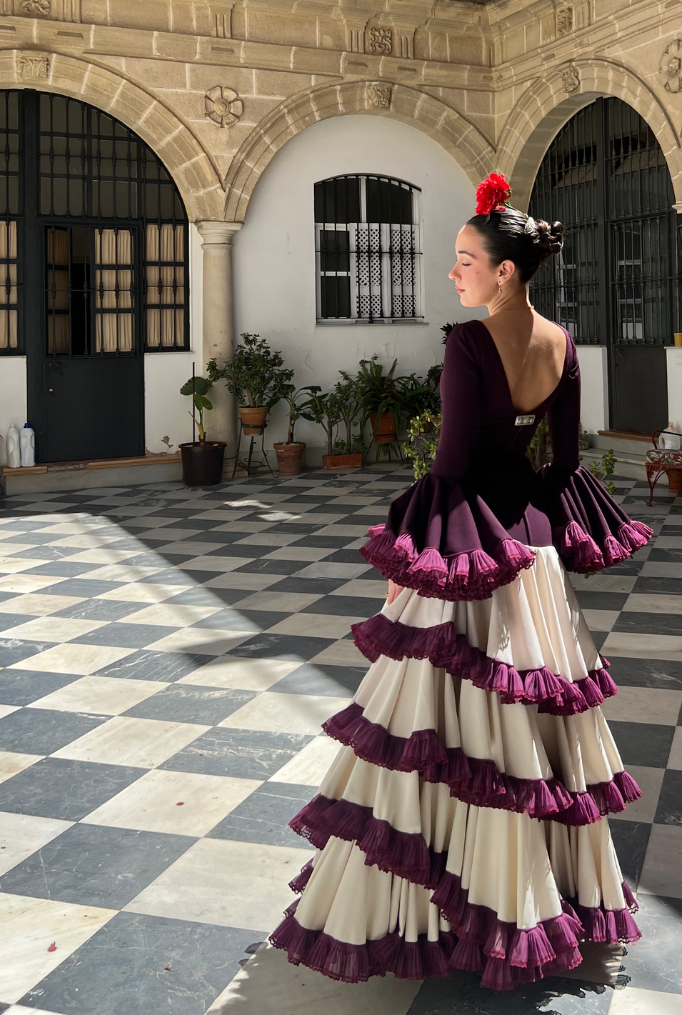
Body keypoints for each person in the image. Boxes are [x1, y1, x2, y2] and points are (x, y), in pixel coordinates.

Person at [269, 172, 652, 989]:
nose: (454, 272)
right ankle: (536, 901)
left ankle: (437, 913)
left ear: (504, 270)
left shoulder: (469, 344)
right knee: (525, 731)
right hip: (532, 558)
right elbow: (565, 460)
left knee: (440, 731)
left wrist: (417, 545)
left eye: (464, 259)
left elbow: (448, 463)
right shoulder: (561, 342)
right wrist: (536, 539)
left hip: (470, 546)